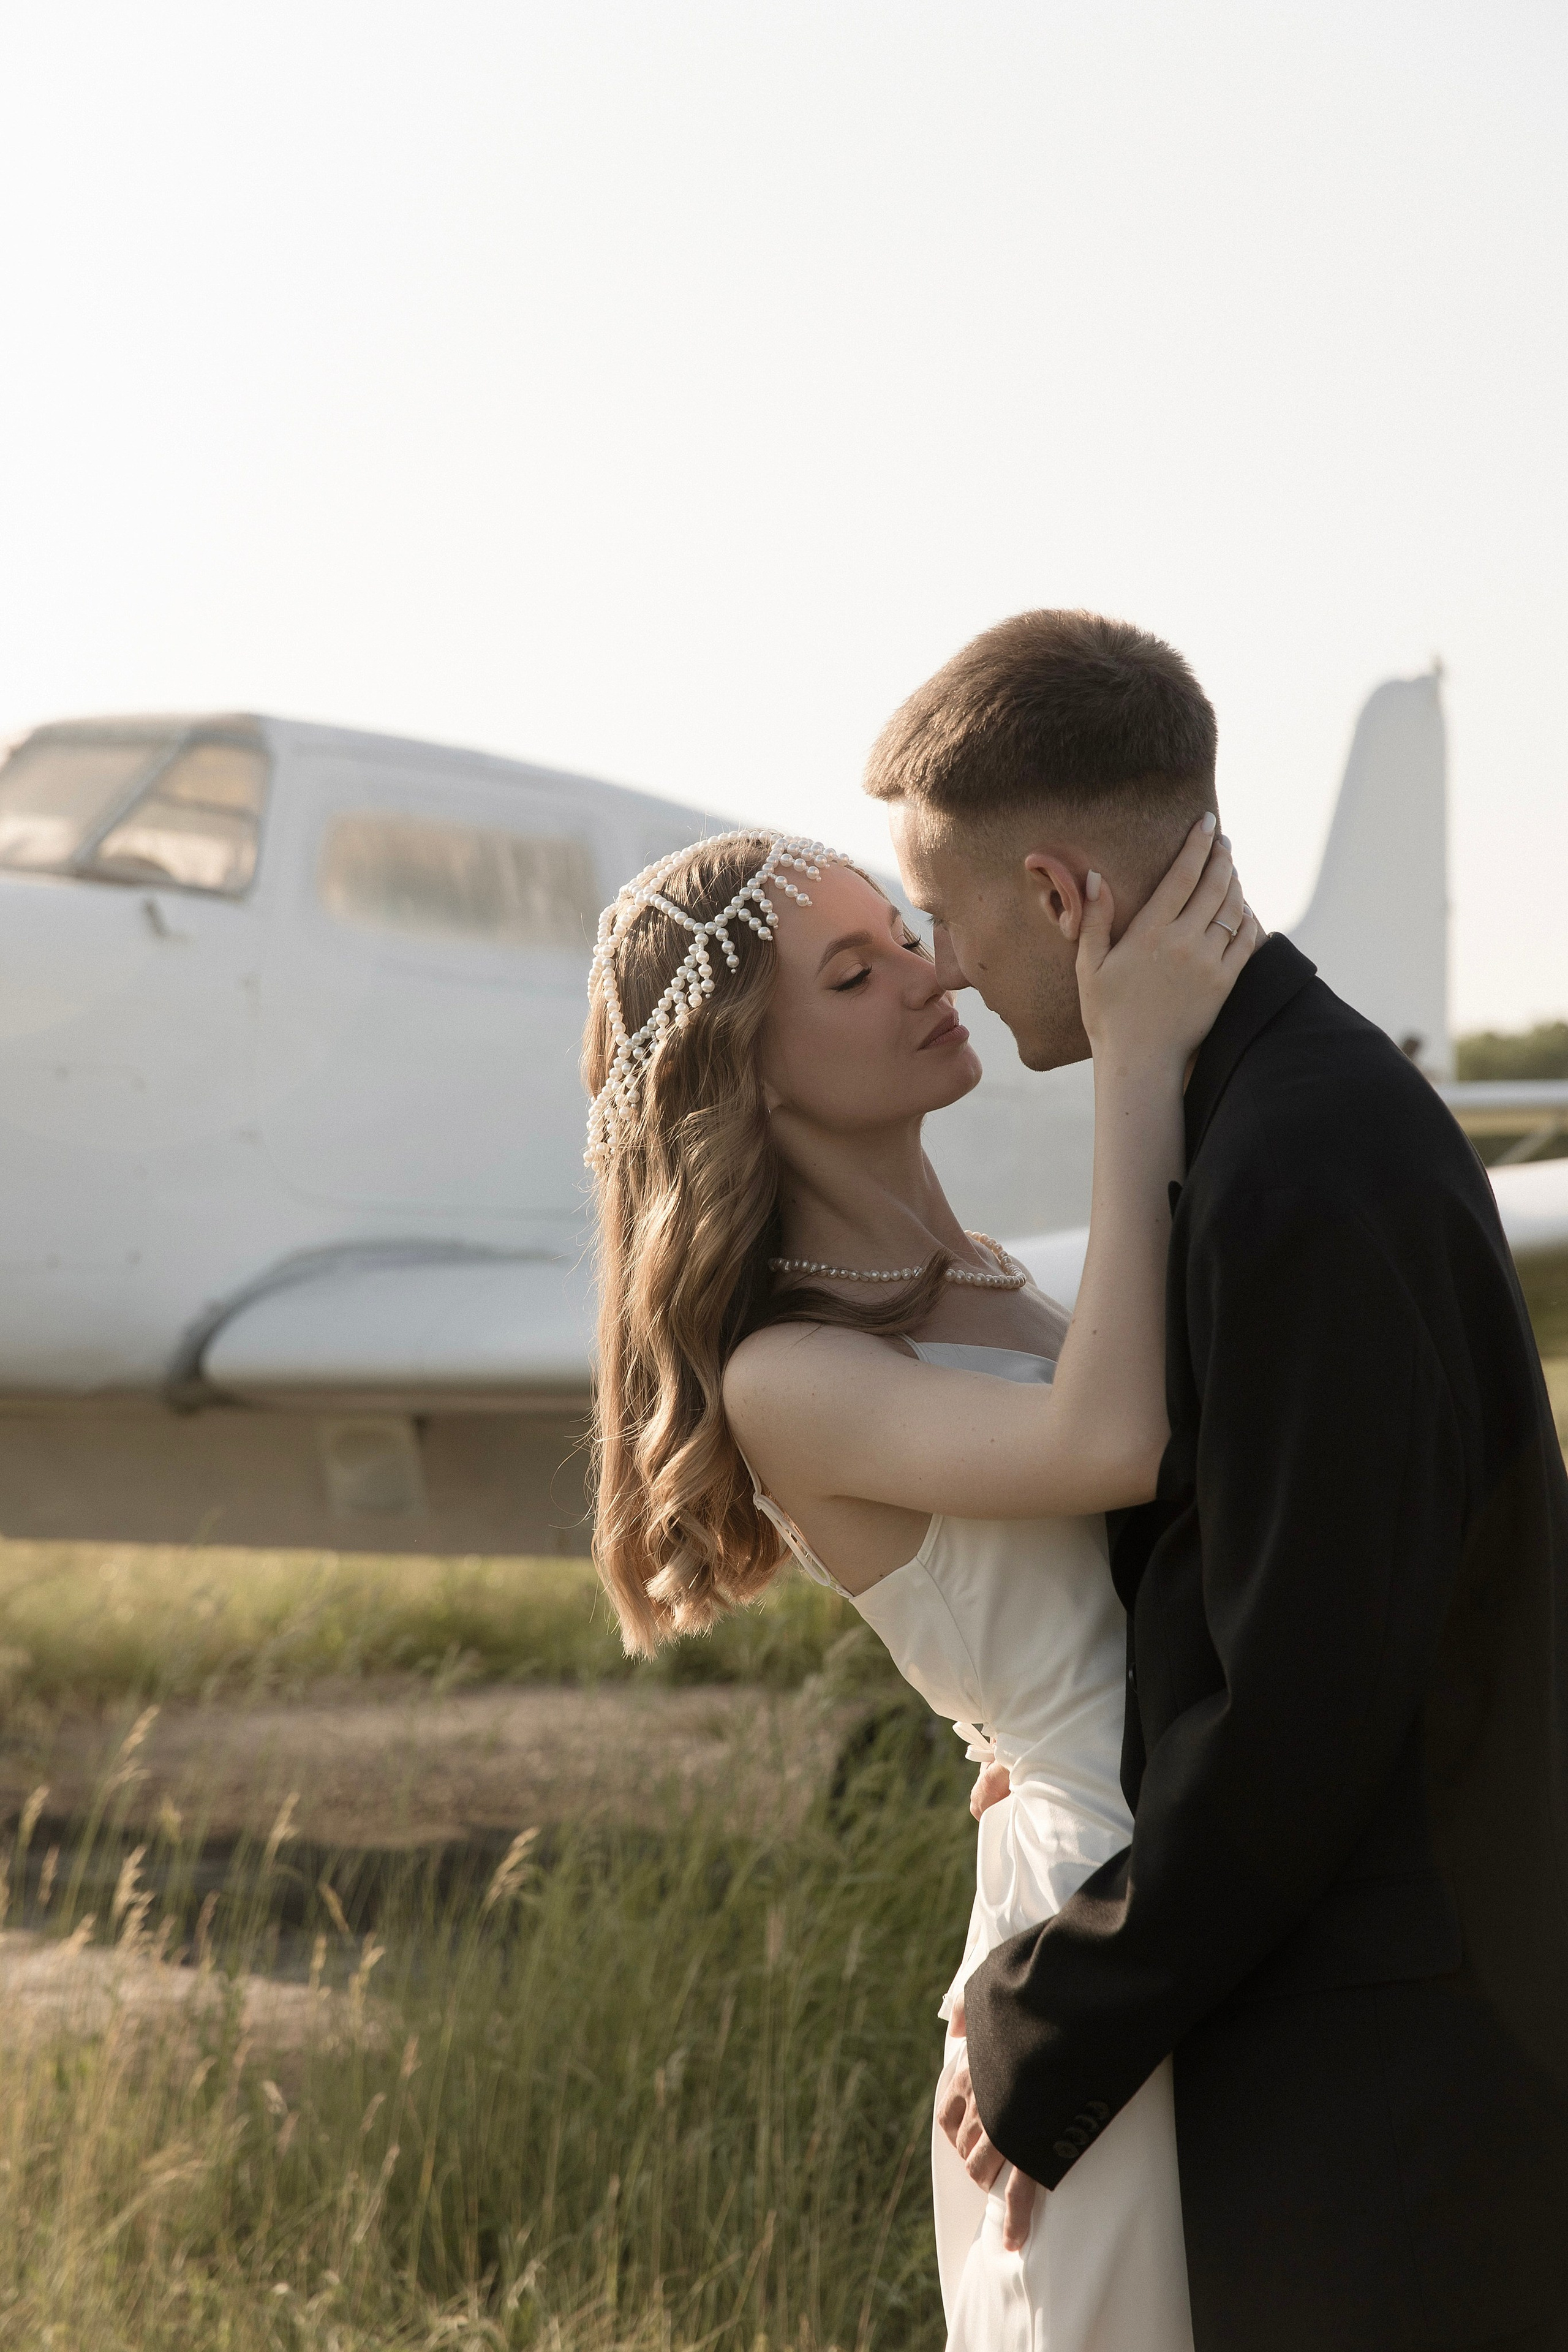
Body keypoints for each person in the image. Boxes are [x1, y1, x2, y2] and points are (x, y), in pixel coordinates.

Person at [865, 608, 1568, 2351]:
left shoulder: (1300, 1166)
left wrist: (1060, 2017)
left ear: (1057, 894)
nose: (938, 968)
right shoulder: (1266, 1116)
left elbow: (1308, 1693)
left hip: (1393, 2080)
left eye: (943, 921)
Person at [582, 809, 1259, 2349]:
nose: (921, 973)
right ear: (745, 1069)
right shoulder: (786, 1371)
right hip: (1090, 1910)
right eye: (849, 973)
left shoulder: (996, 1281)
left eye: (902, 934)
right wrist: (1131, 1054)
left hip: (1202, 1856)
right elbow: (1110, 1443)